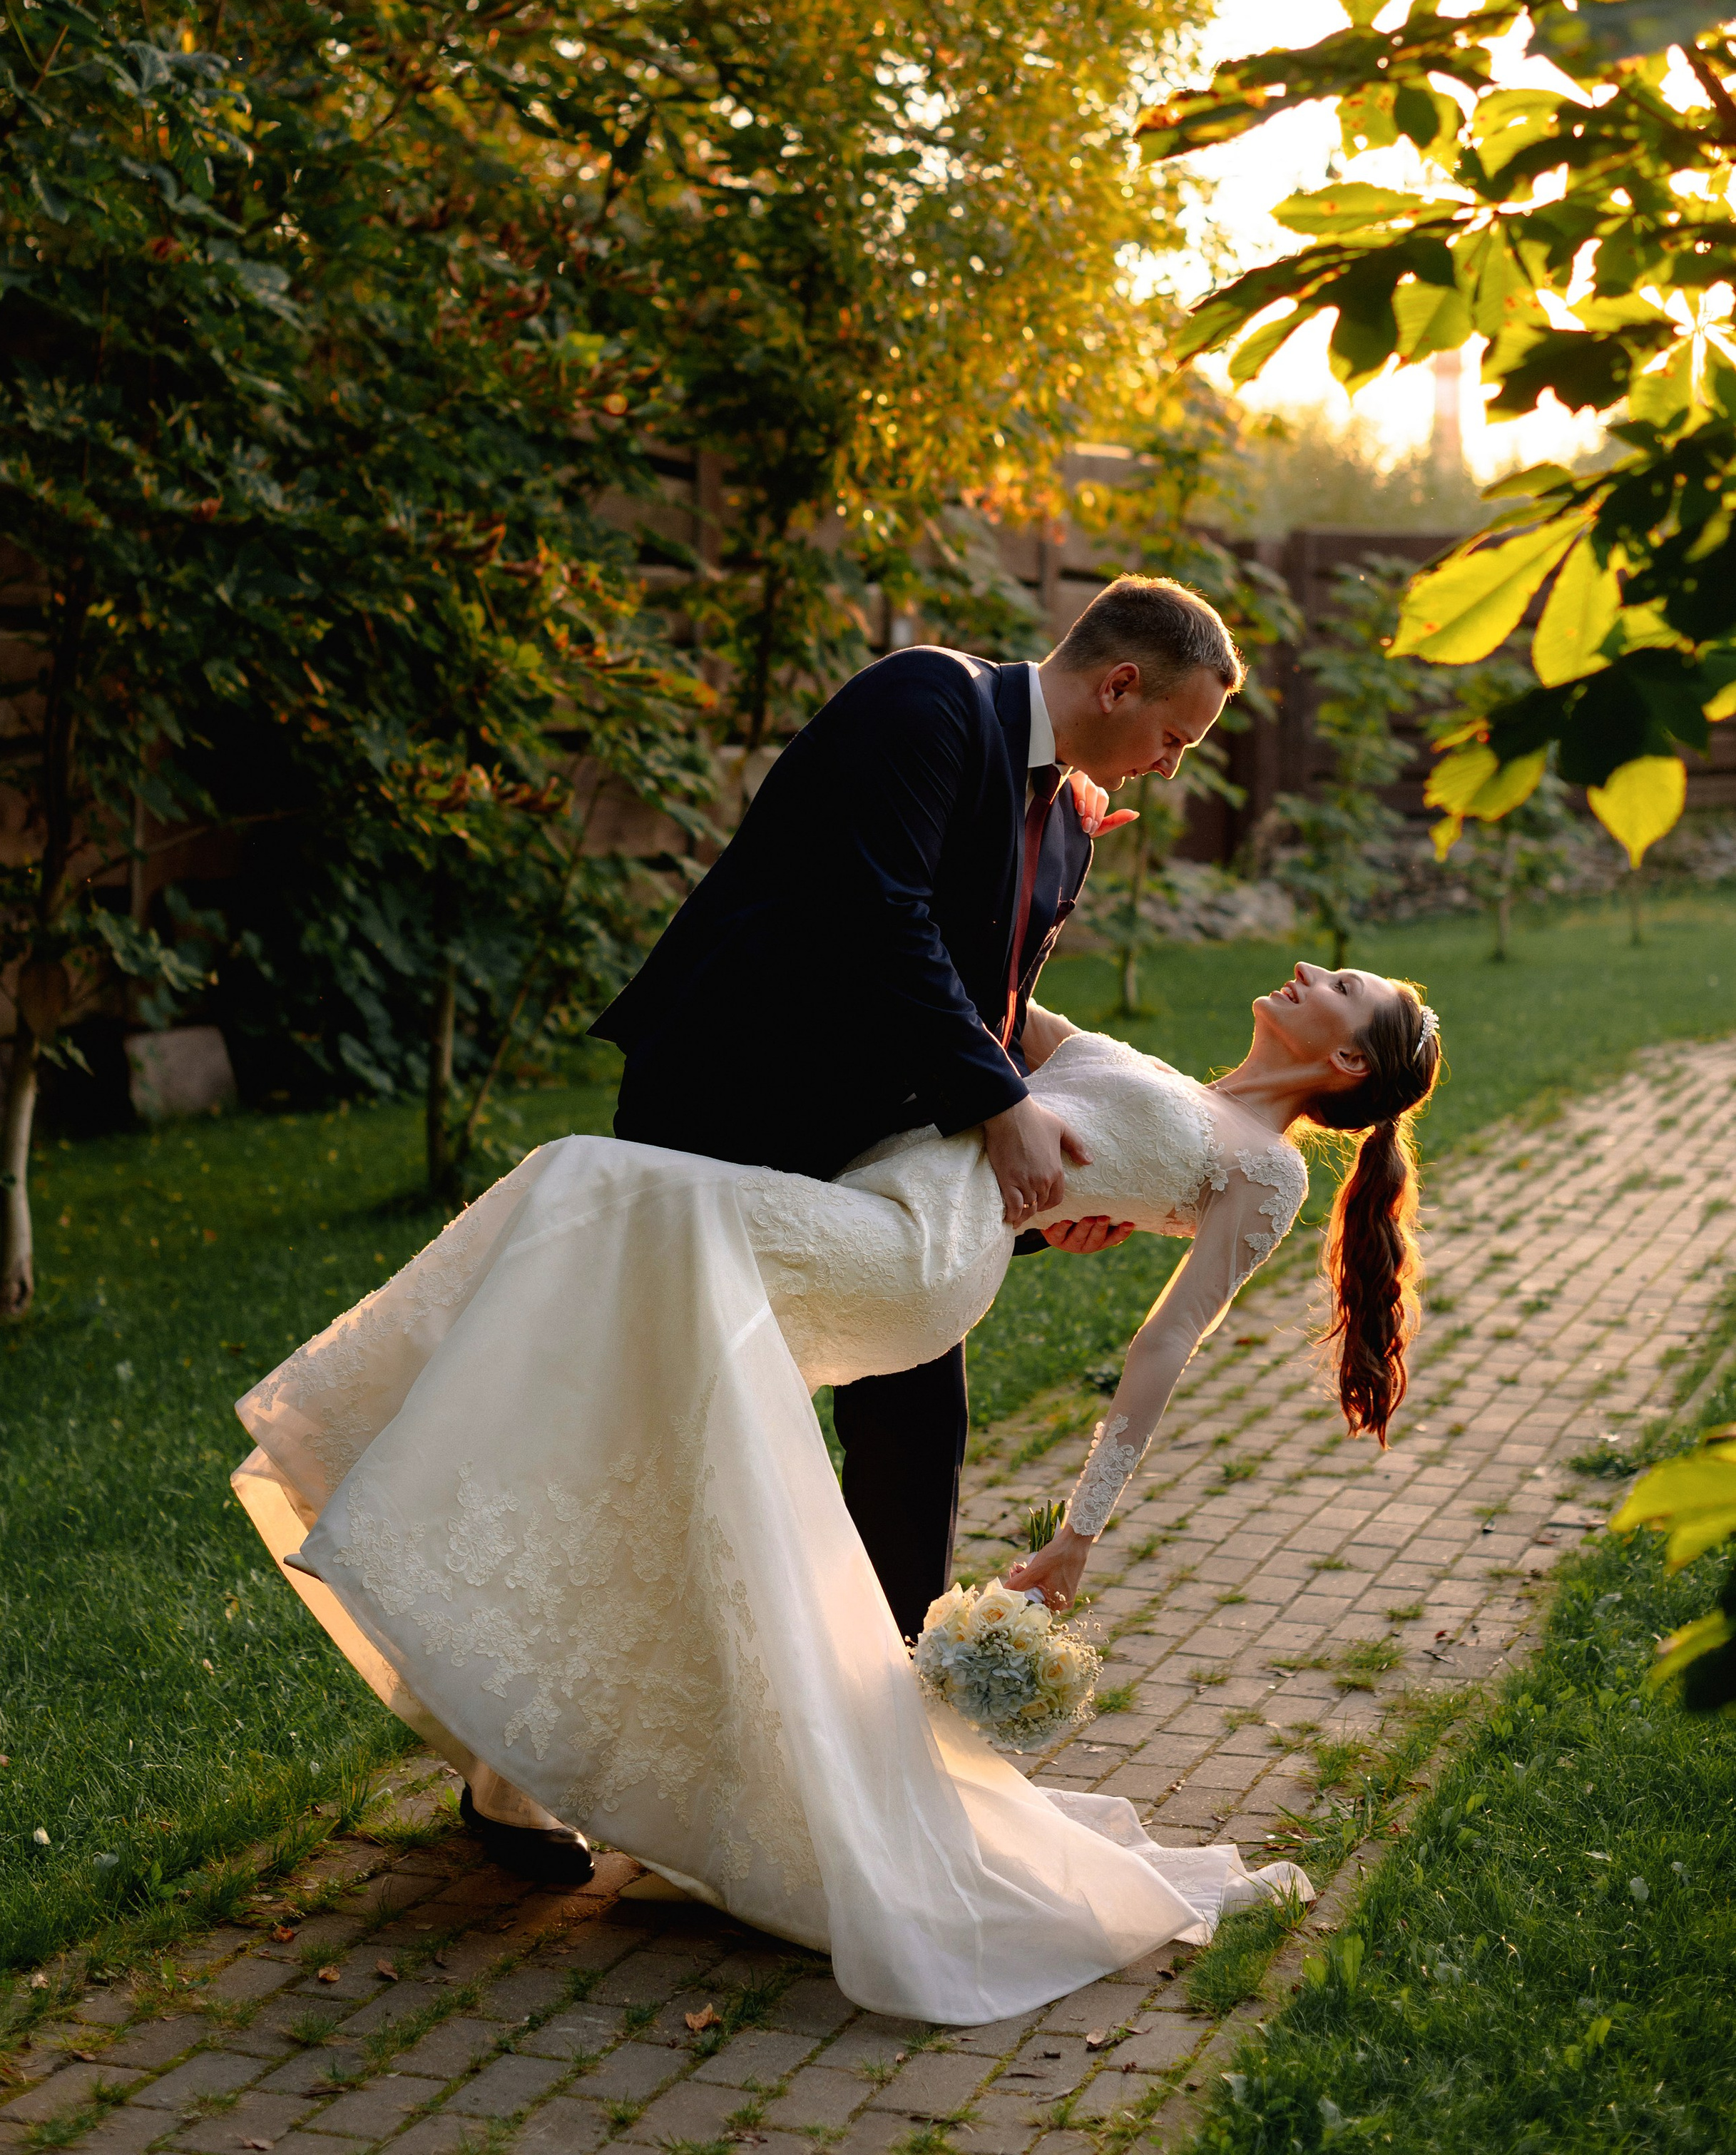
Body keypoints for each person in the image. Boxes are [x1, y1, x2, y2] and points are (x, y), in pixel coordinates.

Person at [232, 961, 1441, 2024]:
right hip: (884, 1203)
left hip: (916, 1256)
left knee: (588, 1182)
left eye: (1341, 984)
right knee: (612, 1313)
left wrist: (1079, 1531)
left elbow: (1164, 1348)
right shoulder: (1156, 1073)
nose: (1305, 967)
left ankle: (375, 1473)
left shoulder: (1263, 1174)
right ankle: (523, 1692)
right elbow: (987, 995)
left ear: (1343, 1059)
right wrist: (1048, 819)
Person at [591, 575, 1243, 1651]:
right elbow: (878, 916)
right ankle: (528, 1756)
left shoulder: (1073, 826)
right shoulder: (925, 702)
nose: (1173, 768)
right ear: (1121, 684)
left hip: (876, 1153)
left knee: (917, 1417)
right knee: (673, 1422)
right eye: (1176, 737)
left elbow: (1000, 1009)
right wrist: (1001, 1107)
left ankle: (885, 1701)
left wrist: (1048, 1190)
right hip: (731, 1104)